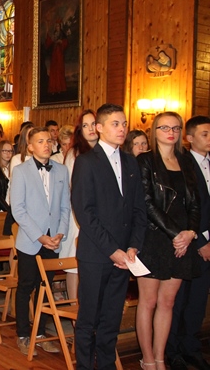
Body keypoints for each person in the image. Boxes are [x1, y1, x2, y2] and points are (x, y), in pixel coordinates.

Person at [71, 103, 148, 370]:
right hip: (97, 254)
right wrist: (112, 250)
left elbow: (138, 208)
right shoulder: (86, 162)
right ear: (99, 128)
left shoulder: (130, 161)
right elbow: (85, 213)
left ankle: (106, 365)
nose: (122, 129)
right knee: (89, 318)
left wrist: (133, 246)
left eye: (124, 124)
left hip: (125, 256)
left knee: (112, 318)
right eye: (115, 124)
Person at [135, 112, 201, 370]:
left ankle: (160, 358)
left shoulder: (186, 161)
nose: (171, 132)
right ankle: (148, 359)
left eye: (175, 128)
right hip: (154, 237)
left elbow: (195, 203)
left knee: (168, 302)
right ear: (155, 131)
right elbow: (147, 203)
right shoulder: (145, 160)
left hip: (183, 239)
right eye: (164, 128)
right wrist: (176, 234)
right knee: (149, 302)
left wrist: (190, 232)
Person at [10, 127, 70, 356]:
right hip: (30, 240)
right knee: (26, 286)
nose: (46, 144)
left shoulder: (62, 170)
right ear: (30, 147)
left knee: (46, 288)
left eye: (49, 140)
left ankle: (41, 333)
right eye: (40, 141)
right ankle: (23, 335)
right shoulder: (21, 171)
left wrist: (60, 233)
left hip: (53, 240)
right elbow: (18, 210)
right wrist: (40, 236)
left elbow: (65, 206)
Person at [166, 116, 210, 370]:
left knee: (197, 302)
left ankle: (192, 348)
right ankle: (172, 350)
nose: (209, 138)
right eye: (205, 134)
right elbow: (184, 207)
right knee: (179, 300)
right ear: (190, 137)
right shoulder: (182, 163)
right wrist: (201, 239)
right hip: (189, 242)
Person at [59, 109, 98, 300]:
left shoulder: (106, 151)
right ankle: (74, 308)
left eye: (93, 124)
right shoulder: (75, 154)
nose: (90, 129)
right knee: (74, 265)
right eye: (85, 125)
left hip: (100, 215)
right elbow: (71, 188)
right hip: (78, 214)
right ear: (79, 130)